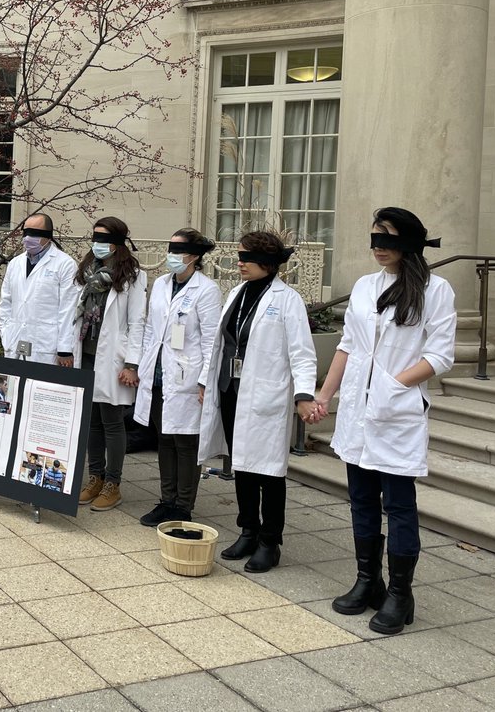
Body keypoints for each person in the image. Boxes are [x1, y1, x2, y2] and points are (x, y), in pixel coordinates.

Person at [314, 208, 455, 634]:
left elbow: (439, 355)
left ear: (409, 243)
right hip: (358, 411)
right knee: (360, 499)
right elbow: (348, 346)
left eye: (388, 240)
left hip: (396, 412)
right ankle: (367, 580)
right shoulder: (364, 286)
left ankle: (400, 594)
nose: (378, 249)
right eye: (374, 239)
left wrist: (393, 385)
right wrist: (324, 395)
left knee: (398, 504)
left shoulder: (436, 289)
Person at [198, 231, 316, 573]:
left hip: (266, 396)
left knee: (269, 473)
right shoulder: (236, 293)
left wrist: (304, 393)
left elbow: (302, 353)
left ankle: (270, 541)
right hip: (231, 391)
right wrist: (207, 381)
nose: (239, 263)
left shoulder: (288, 299)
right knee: (242, 466)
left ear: (266, 262)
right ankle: (248, 531)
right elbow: (220, 344)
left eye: (245, 258)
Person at [134, 228, 223, 526]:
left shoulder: (206, 290)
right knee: (164, 438)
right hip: (159, 374)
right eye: (170, 248)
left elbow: (212, 340)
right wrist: (141, 367)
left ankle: (183, 505)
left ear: (195, 256)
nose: (171, 255)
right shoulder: (160, 284)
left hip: (187, 375)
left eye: (178, 250)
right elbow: (150, 329)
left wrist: (204, 381)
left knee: (185, 442)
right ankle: (166, 499)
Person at [74, 217, 148, 512]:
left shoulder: (131, 274)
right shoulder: (87, 270)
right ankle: (95, 476)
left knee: (112, 421)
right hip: (87, 352)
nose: (97, 243)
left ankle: (112, 484)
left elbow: (137, 321)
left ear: (117, 242)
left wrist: (132, 363)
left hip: (114, 357)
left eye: (103, 238)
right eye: (95, 237)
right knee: (91, 420)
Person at [0, 213, 78, 366]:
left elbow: (68, 309)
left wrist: (64, 349)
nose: (28, 238)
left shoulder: (65, 264)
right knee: (14, 387)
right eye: (26, 232)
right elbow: (5, 302)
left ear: (48, 236)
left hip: (46, 346)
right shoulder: (15, 263)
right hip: (14, 341)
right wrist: (5, 331)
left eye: (34, 233)